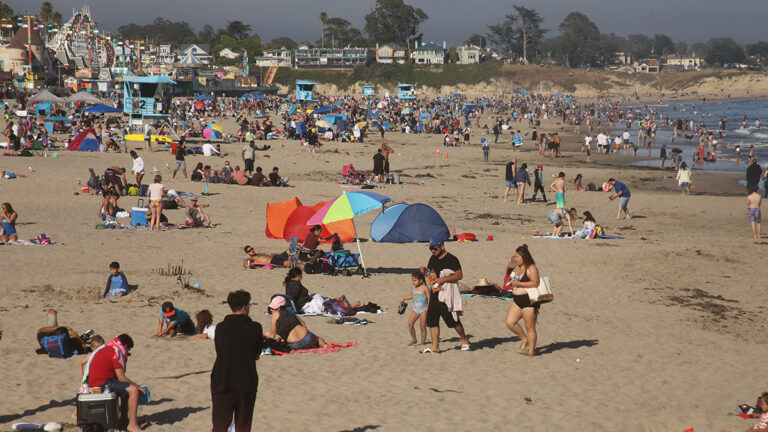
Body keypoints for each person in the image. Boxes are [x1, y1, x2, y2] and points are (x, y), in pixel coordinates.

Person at [419, 236, 471, 353]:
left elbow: (459, 275)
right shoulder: (432, 258)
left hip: (446, 294)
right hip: (434, 293)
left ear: (442, 246)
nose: (433, 251)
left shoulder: (452, 259)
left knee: (453, 321)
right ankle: (435, 346)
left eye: (435, 248)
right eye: (431, 249)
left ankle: (464, 339)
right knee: (433, 321)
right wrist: (425, 271)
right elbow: (432, 275)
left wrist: (443, 280)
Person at [86, 334, 146, 432]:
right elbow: (121, 378)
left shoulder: (108, 348)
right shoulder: (117, 352)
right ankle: (132, 425)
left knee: (126, 389)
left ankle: (124, 419)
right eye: (128, 350)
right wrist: (138, 387)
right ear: (125, 346)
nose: (127, 353)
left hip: (95, 381)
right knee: (133, 390)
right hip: (101, 382)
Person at [504, 245, 542, 357]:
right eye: (515, 256)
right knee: (510, 322)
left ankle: (531, 351)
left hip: (529, 302)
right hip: (517, 300)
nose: (515, 259)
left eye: (517, 257)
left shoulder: (531, 268)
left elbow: (535, 283)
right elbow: (511, 280)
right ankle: (524, 339)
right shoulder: (517, 268)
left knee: (530, 327)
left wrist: (519, 284)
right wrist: (511, 281)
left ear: (524, 257)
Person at [399, 271, 430, 346]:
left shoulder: (425, 288)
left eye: (415, 280)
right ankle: (414, 339)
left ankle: (422, 343)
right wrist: (405, 298)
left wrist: (427, 307)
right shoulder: (414, 287)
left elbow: (429, 298)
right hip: (415, 309)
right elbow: (413, 295)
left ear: (421, 280)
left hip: (423, 310)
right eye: (412, 280)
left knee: (422, 327)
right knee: (410, 323)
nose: (413, 282)